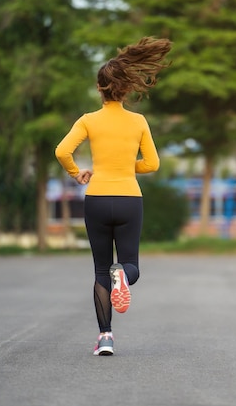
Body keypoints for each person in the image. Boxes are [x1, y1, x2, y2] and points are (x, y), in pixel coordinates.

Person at [55, 36, 172, 356]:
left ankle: (105, 337)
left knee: (98, 270)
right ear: (126, 89)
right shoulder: (138, 121)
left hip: (96, 197)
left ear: (100, 88)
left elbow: (62, 151)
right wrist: (126, 165)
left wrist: (76, 172)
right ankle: (122, 274)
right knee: (128, 263)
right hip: (129, 199)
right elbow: (152, 163)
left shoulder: (89, 120)